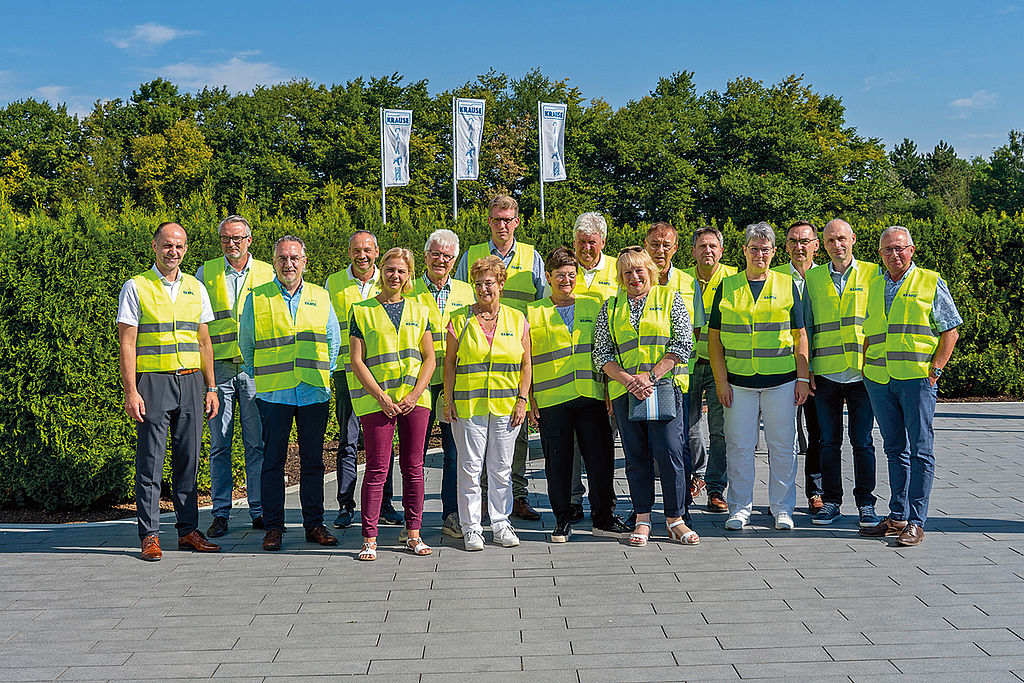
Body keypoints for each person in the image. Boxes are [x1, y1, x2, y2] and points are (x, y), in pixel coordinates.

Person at [116, 222, 221, 561]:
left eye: (179, 246)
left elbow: (204, 341)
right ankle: (149, 535)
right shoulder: (136, 286)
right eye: (167, 245)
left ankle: (188, 530)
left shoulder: (196, 287)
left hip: (191, 381)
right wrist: (131, 391)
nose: (172, 251)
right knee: (151, 461)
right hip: (154, 383)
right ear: (154, 246)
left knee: (188, 460)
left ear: (186, 249)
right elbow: (127, 342)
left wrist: (211, 386)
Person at [859, 226, 961, 547]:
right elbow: (872, 332)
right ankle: (897, 516)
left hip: (917, 380)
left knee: (920, 450)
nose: (895, 254)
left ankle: (916, 522)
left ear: (912, 250)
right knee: (893, 449)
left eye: (900, 248)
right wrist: (865, 369)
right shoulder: (874, 285)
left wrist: (935, 371)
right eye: (888, 249)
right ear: (880, 254)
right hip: (880, 380)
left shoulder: (930, 282)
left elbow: (950, 331)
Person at [239, 236, 340, 551]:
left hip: (313, 392)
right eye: (282, 258)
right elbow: (247, 345)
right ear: (274, 262)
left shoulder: (321, 297)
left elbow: (333, 342)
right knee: (273, 461)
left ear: (304, 262)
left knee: (313, 462)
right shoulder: (257, 298)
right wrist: (263, 377)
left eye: (294, 258)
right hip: (274, 395)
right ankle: (273, 528)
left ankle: (314, 525)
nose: (289, 264)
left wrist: (322, 373)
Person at [709, 222, 810, 532]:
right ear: (744, 251)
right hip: (738, 385)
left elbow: (800, 334)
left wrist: (803, 379)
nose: (760, 254)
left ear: (774, 252)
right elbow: (714, 339)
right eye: (754, 249)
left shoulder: (786, 284)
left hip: (781, 381)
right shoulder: (727, 286)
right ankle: (739, 508)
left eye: (766, 250)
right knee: (738, 446)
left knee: (783, 446)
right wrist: (721, 381)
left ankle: (783, 508)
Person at [594, 246, 697, 547]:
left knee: (670, 454)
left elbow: (683, 342)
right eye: (627, 272)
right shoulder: (611, 307)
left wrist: (650, 376)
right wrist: (629, 381)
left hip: (663, 388)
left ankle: (675, 519)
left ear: (650, 271)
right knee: (636, 458)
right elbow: (601, 353)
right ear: (620, 277)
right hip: (628, 392)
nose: (634, 277)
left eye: (639, 270)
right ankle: (642, 518)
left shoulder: (669, 298)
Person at [527, 247, 630, 542]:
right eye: (560, 275)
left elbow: (606, 349)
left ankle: (604, 518)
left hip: (591, 395)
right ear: (548, 277)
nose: (566, 280)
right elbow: (527, 359)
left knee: (601, 459)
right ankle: (562, 518)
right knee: (558, 462)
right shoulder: (534, 312)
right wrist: (530, 396)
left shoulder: (594, 305)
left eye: (571, 275)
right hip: (552, 399)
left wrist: (611, 390)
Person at [455, 195, 544, 522]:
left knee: (513, 433)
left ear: (517, 222)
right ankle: (477, 505)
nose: (502, 225)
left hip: (516, 351)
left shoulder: (531, 257)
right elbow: (462, 298)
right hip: (477, 352)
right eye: (497, 219)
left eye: (508, 219)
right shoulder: (471, 256)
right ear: (489, 221)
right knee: (476, 446)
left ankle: (517, 496)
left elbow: (543, 300)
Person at [349, 248, 436, 560]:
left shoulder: (420, 308)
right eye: (389, 269)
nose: (394, 276)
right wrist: (381, 397)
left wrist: (414, 394)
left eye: (401, 271)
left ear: (409, 275)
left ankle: (413, 533)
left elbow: (430, 358)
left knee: (414, 467)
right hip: (378, 401)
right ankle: (369, 538)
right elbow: (357, 361)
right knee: (376, 468)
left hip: (415, 400)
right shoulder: (361, 310)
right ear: (380, 270)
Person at [444, 256, 533, 550]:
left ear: (501, 284)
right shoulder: (458, 320)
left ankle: (501, 523)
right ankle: (471, 528)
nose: (484, 289)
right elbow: (449, 364)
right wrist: (448, 399)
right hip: (469, 408)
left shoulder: (517, 319)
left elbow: (526, 363)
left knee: (501, 469)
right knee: (469, 469)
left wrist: (523, 400)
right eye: (479, 283)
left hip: (507, 407)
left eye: (490, 283)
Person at [197, 215, 275, 538]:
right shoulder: (206, 273)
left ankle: (258, 510)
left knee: (256, 444)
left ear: (249, 240)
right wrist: (210, 382)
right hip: (222, 369)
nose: (232, 244)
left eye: (238, 238)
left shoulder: (268, 273)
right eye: (227, 238)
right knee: (220, 445)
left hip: (255, 369)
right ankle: (220, 512)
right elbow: (199, 329)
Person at [804, 219, 880, 527]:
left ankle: (866, 503)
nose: (838, 245)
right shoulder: (814, 278)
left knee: (862, 441)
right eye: (831, 240)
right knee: (828, 441)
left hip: (863, 374)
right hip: (825, 373)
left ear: (853, 239)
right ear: (823, 245)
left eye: (842, 239)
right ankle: (832, 501)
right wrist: (806, 370)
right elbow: (806, 328)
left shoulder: (874, 274)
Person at [326, 231, 402, 529]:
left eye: (368, 250)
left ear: (376, 252)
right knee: (348, 440)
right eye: (356, 250)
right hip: (348, 374)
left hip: (382, 376)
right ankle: (346, 505)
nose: (362, 256)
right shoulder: (333, 283)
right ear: (349, 252)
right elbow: (329, 329)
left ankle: (385, 504)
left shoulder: (387, 281)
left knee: (384, 443)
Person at [407, 229, 475, 539]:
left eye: (447, 256)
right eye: (435, 253)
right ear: (425, 256)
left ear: (455, 260)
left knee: (453, 451)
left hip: (454, 380)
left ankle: (451, 514)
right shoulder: (409, 290)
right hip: (417, 379)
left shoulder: (466, 291)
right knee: (414, 452)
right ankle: (413, 519)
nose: (441, 260)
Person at [567, 211, 619, 522]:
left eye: (592, 242)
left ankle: (605, 503)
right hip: (568, 371)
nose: (586, 248)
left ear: (602, 241)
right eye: (580, 242)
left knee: (603, 442)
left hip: (606, 370)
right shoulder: (565, 268)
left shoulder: (616, 270)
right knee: (571, 442)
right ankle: (573, 500)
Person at [684, 226, 738, 513]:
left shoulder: (733, 279)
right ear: (692, 251)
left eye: (712, 246)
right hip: (688, 364)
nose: (707, 251)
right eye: (702, 246)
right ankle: (695, 478)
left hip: (721, 365)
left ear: (721, 250)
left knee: (720, 430)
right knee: (687, 429)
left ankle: (716, 488)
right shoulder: (680, 280)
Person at [772, 221, 824, 514]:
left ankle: (815, 493)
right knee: (781, 437)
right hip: (779, 369)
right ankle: (780, 498)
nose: (799, 247)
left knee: (818, 434)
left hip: (817, 369)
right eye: (793, 241)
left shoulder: (826, 278)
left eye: (805, 241)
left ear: (816, 244)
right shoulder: (775, 276)